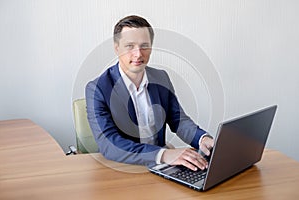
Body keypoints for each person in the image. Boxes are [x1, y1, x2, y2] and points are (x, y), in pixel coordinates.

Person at [86, 15, 214, 171]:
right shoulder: (97, 88)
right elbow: (109, 144)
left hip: (161, 168)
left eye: (144, 46)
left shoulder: (161, 78)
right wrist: (164, 154)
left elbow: (178, 120)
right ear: (116, 48)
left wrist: (202, 139)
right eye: (130, 46)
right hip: (123, 168)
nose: (138, 54)